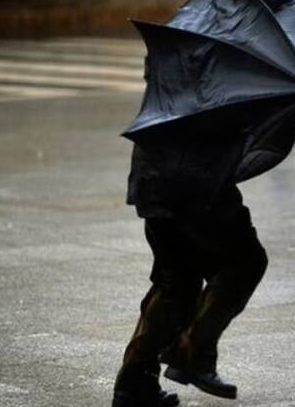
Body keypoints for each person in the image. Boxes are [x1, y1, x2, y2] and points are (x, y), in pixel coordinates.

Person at [112, 125, 268, 407]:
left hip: (156, 173)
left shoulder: (173, 84)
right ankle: (193, 352)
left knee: (178, 282)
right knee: (246, 261)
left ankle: (135, 382)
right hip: (195, 178)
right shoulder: (210, 81)